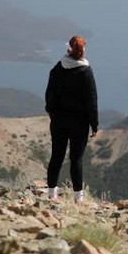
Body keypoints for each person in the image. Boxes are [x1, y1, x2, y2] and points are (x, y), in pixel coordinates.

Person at [45, 35, 99, 204]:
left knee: (57, 155)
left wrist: (53, 114)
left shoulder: (57, 69)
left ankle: (52, 193)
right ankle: (78, 197)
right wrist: (94, 124)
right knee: (76, 158)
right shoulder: (86, 72)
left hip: (59, 120)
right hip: (79, 122)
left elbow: (49, 96)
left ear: (68, 49)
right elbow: (92, 100)